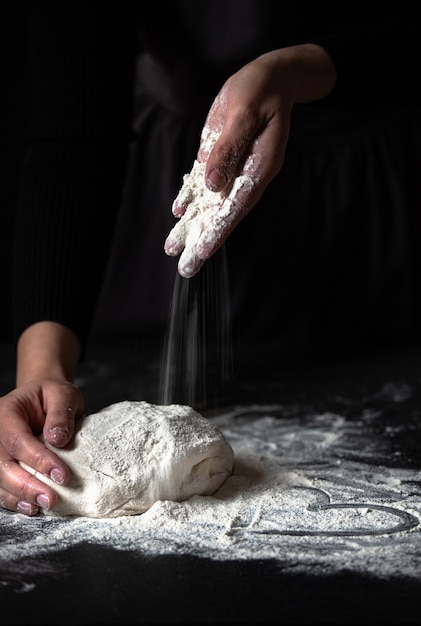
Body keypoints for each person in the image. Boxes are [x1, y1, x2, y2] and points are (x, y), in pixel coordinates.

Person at [0, 1, 420, 517]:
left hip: (366, 198)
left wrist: (299, 68)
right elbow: (73, 137)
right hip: (185, 165)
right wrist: (39, 372)